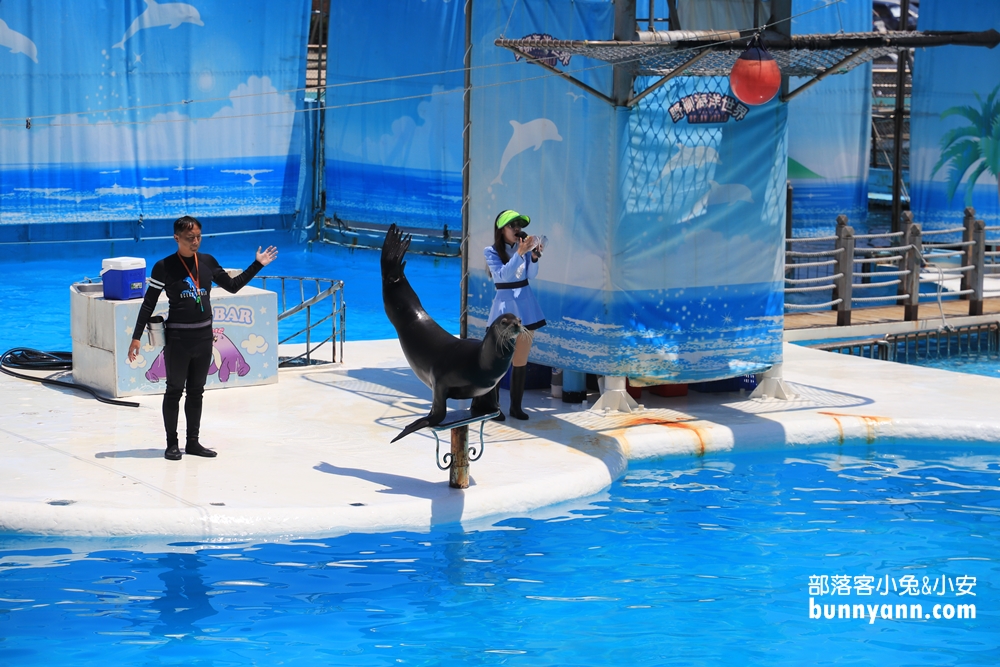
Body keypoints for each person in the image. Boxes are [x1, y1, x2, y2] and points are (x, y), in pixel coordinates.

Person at [128, 216, 278, 460]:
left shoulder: (207, 262)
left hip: (203, 338)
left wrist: (257, 264)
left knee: (197, 391)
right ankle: (171, 443)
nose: (195, 242)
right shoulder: (164, 267)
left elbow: (232, 286)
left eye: (198, 237)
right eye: (189, 239)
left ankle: (193, 442)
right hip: (178, 339)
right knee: (174, 390)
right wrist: (136, 337)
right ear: (177, 238)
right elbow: (148, 304)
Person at [484, 209, 546, 420]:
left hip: (526, 305)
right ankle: (493, 407)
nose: (517, 229)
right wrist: (520, 253)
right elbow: (502, 276)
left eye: (519, 225)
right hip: (504, 306)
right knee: (500, 360)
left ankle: (516, 407)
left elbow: (531, 275)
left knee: (520, 358)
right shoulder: (490, 252)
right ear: (501, 230)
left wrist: (534, 256)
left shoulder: (524, 250)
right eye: (512, 225)